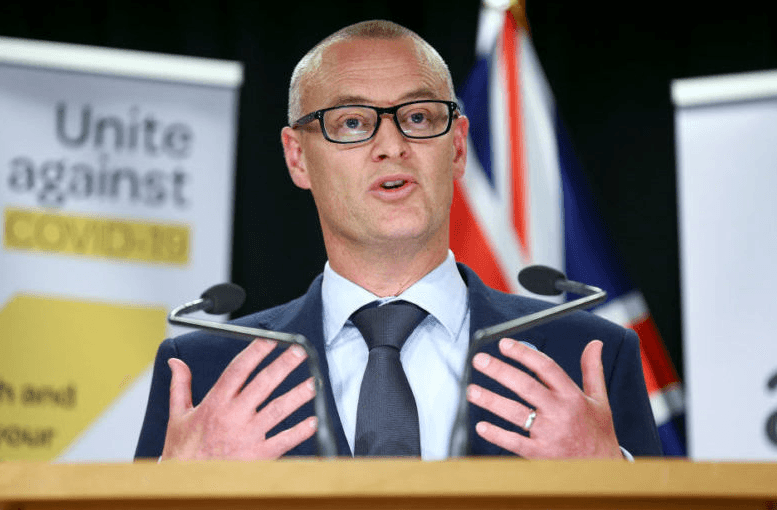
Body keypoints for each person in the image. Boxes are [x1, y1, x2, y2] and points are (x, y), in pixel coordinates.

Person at [135, 20, 662, 461]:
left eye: (417, 117)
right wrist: (176, 493)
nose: (392, 145)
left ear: (457, 148)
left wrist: (613, 480)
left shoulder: (588, 353)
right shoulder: (205, 368)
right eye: (351, 122)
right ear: (298, 158)